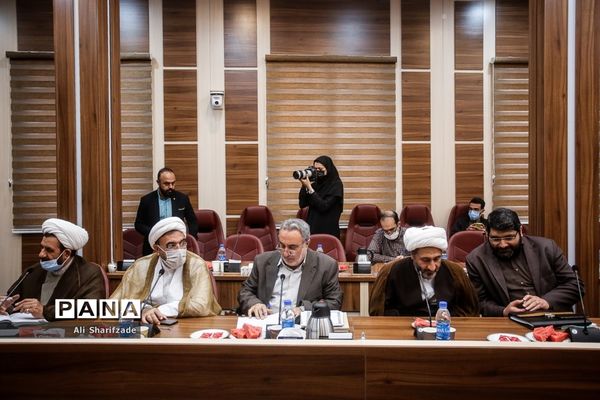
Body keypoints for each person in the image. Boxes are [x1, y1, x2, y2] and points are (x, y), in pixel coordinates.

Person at [466, 208, 582, 317]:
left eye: (509, 238)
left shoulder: (546, 248)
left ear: (520, 231)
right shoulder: (476, 259)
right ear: (487, 235)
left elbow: (575, 285)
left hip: (552, 318)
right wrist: (503, 311)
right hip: (509, 322)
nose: (503, 245)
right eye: (495, 239)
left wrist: (546, 301)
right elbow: (479, 302)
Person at [111, 217, 221, 324]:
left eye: (182, 243)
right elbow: (111, 306)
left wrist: (159, 311)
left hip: (187, 326)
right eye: (171, 245)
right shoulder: (141, 266)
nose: (179, 249)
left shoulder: (196, 264)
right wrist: (142, 310)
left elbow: (200, 305)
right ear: (157, 249)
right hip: (149, 325)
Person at [0, 218, 105, 321]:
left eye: (49, 250)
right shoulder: (33, 270)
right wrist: (6, 306)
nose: (41, 254)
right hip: (27, 330)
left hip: (66, 331)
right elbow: (13, 301)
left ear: (66, 254)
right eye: (42, 247)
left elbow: (92, 307)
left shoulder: (89, 273)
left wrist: (45, 311)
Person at [238, 218, 343, 318]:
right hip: (265, 321)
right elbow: (245, 291)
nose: (286, 253)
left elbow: (334, 301)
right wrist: (255, 303)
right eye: (282, 246)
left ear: (306, 243)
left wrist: (304, 309)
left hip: (302, 325)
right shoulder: (262, 262)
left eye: (292, 247)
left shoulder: (326, 265)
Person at [369, 226, 479, 317]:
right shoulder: (391, 271)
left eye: (437, 259)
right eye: (425, 260)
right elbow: (379, 311)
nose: (432, 267)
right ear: (412, 256)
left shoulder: (455, 271)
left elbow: (469, 309)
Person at [135, 167, 199, 256]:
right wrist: (155, 233)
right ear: (158, 182)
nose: (171, 187)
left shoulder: (182, 198)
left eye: (173, 183)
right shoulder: (147, 200)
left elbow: (193, 222)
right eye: (166, 184)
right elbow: (138, 224)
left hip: (178, 247)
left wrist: (187, 240)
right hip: (153, 247)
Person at [298, 155, 344, 238]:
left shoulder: (336, 185)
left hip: (328, 232)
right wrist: (304, 186)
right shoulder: (316, 184)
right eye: (315, 169)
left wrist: (310, 189)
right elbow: (302, 204)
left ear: (328, 169)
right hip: (312, 230)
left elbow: (324, 206)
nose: (317, 171)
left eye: (320, 169)